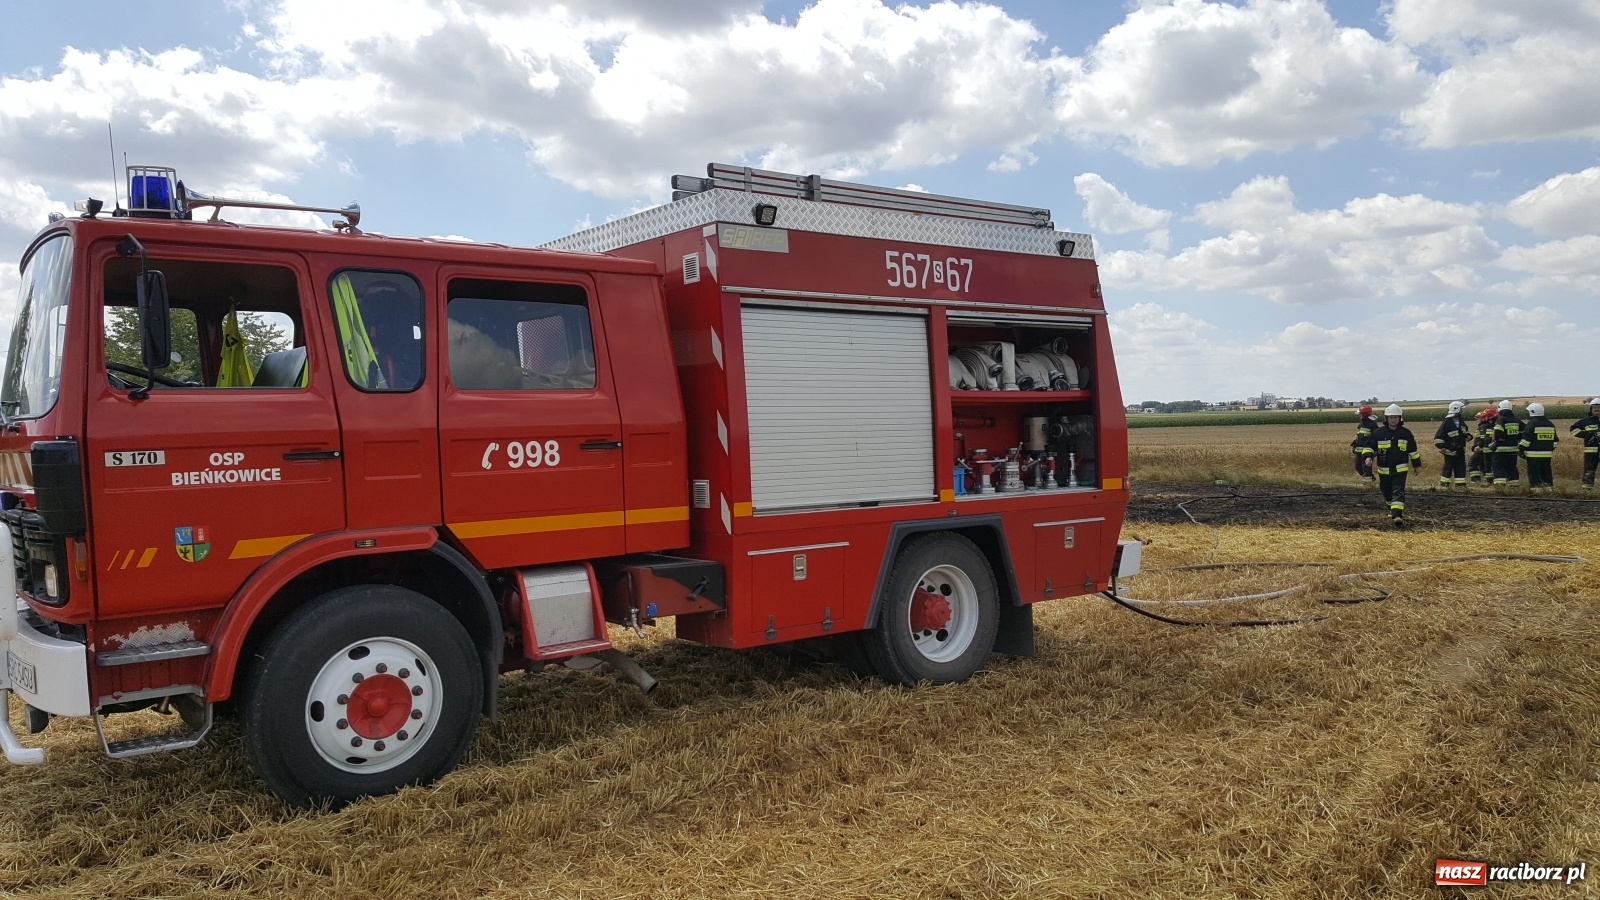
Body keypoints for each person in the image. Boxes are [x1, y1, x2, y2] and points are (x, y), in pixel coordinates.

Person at [1362, 404, 1422, 525]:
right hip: (1383, 470)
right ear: (1386, 418)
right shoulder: (1378, 433)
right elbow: (1369, 446)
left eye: (1395, 417)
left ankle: (1397, 516)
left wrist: (1417, 465)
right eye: (1390, 417)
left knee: (1398, 490)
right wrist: (1368, 457)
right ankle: (1392, 508)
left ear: (1400, 418)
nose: (1393, 419)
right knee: (1386, 490)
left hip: (1400, 469)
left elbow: (1413, 451)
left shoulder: (1406, 434)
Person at [1519, 402, 1559, 490]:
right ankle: (1549, 489)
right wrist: (1550, 449)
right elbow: (1555, 441)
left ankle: (1535, 490)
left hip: (1533, 455)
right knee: (1546, 472)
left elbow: (1526, 439)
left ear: (1532, 412)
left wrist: (1521, 449)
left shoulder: (1532, 423)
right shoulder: (1550, 424)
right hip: (1547, 455)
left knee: (1534, 473)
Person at [1433, 400, 1470, 488]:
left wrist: (1469, 436)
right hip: (1450, 451)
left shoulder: (1461, 422)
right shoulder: (1447, 423)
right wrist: (1442, 447)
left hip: (1460, 451)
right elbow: (1438, 438)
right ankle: (1444, 485)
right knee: (1448, 468)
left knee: (1461, 468)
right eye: (1461, 409)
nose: (1462, 411)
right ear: (1456, 409)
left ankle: (1460, 485)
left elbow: (1465, 431)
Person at [1489, 399, 1524, 488]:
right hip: (1513, 449)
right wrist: (1517, 436)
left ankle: (1500, 487)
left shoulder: (1500, 419)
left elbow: (1497, 432)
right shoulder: (1516, 420)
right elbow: (1525, 430)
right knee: (1512, 468)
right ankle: (1514, 486)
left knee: (1498, 467)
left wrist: (1494, 441)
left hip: (1501, 450)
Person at [1570, 398, 1600, 490]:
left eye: (1598, 408)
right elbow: (1573, 429)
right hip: (1591, 451)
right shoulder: (1585, 421)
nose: (1596, 409)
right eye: (1594, 408)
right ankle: (1587, 490)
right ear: (1590, 409)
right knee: (1589, 471)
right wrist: (1587, 435)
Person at [1469, 406, 1496, 484]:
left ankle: (1476, 479)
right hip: (1485, 449)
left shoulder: (1483, 427)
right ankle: (1486, 480)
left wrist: (1477, 446)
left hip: (1482, 449)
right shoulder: (1486, 426)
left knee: (1472, 462)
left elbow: (1482, 439)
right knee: (1483, 465)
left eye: (1478, 418)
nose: (1477, 420)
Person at [1350, 404, 1378, 480]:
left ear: (1363, 415)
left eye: (1360, 414)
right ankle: (1371, 479)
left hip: (1367, 452)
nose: (1359, 416)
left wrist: (1373, 451)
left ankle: (1368, 485)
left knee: (1367, 469)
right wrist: (1355, 444)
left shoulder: (1372, 425)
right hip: (1359, 451)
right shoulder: (1361, 424)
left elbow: (1375, 438)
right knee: (1358, 468)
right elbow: (1359, 436)